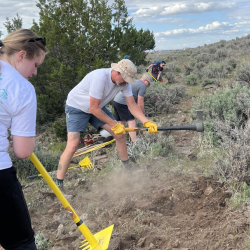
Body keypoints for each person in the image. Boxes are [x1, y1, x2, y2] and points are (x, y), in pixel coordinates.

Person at [56, 59, 158, 188]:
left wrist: (146, 121)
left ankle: (128, 169)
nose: (126, 82)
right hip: (77, 107)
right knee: (73, 144)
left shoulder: (124, 84)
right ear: (117, 72)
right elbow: (93, 108)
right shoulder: (100, 78)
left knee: (120, 135)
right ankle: (59, 185)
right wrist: (115, 125)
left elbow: (132, 105)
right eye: (125, 78)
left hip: (97, 106)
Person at [0, 29, 47, 250]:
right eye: (35, 65)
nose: (35, 73)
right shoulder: (22, 88)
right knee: (21, 243)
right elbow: (22, 150)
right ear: (21, 56)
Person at [113, 73, 152, 142]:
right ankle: (134, 142)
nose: (147, 87)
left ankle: (120, 138)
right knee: (132, 122)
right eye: (148, 85)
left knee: (123, 121)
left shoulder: (135, 81)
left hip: (116, 101)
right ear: (145, 81)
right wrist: (142, 114)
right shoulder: (142, 86)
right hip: (123, 103)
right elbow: (140, 101)